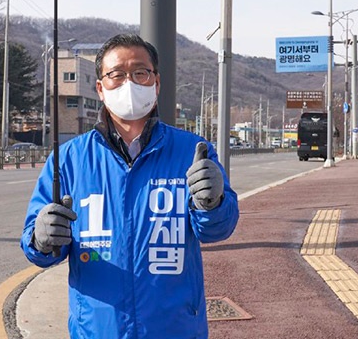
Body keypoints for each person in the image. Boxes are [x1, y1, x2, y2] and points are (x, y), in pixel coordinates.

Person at [20, 34, 239, 339]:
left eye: (140, 72)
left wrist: (213, 203)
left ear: (156, 82)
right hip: (96, 331)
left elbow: (218, 230)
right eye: (116, 74)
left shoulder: (193, 150)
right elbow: (39, 247)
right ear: (100, 87)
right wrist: (41, 238)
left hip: (175, 329)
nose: (129, 83)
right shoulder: (69, 158)